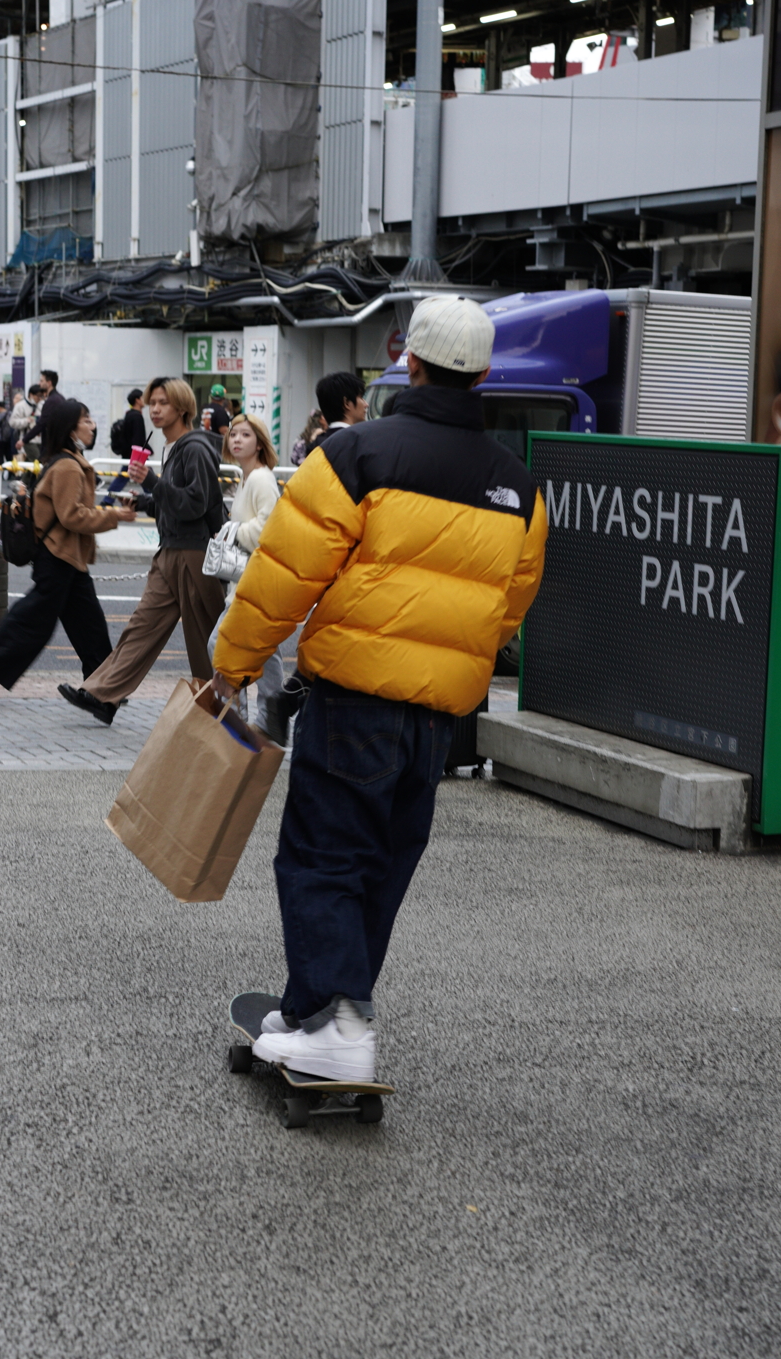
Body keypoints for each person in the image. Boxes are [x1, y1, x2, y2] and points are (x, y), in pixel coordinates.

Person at [212, 295, 548, 1083]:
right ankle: (313, 1010)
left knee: (323, 857)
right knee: (385, 860)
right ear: (484, 376)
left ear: (411, 366)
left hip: (355, 699)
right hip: (435, 719)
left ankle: (339, 1022)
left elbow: (283, 577)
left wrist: (234, 665)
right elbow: (510, 607)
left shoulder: (357, 454)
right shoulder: (520, 488)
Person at [57, 375, 224, 726]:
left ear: (182, 407)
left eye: (163, 402)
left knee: (202, 638)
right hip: (171, 551)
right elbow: (176, 503)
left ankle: (220, 712)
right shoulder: (176, 447)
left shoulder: (195, 447)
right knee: (141, 627)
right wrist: (147, 500)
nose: (156, 409)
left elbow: (195, 504)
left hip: (195, 554)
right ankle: (103, 695)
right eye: (152, 403)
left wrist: (150, 481)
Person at [0, 397, 135, 704]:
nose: (93, 425)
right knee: (34, 623)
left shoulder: (66, 459)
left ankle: (105, 692)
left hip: (67, 557)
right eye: (87, 420)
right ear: (71, 429)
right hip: (58, 557)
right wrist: (114, 516)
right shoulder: (68, 466)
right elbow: (72, 516)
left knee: (89, 625)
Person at [205, 413, 283, 731]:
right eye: (233, 434)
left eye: (246, 435)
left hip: (256, 579)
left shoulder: (261, 479)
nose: (236, 439)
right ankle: (271, 713)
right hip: (250, 577)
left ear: (260, 443)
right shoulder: (248, 477)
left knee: (220, 641)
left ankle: (237, 708)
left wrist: (233, 530)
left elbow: (269, 527)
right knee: (266, 648)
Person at [103, 387, 148, 502]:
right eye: (142, 397)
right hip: (135, 455)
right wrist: (142, 452)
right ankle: (155, 499)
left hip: (129, 453)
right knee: (145, 477)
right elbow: (138, 438)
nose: (144, 400)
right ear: (137, 400)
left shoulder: (129, 414)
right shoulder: (137, 416)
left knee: (126, 478)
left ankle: (108, 499)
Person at [312, 371, 368, 449]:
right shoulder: (357, 443)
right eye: (361, 398)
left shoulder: (316, 445)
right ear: (347, 403)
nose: (366, 405)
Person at [19, 369, 64, 457]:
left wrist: (24, 440)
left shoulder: (52, 401)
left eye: (41, 381)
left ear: (49, 383)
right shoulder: (59, 398)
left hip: (51, 447)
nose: (39, 383)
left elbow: (42, 423)